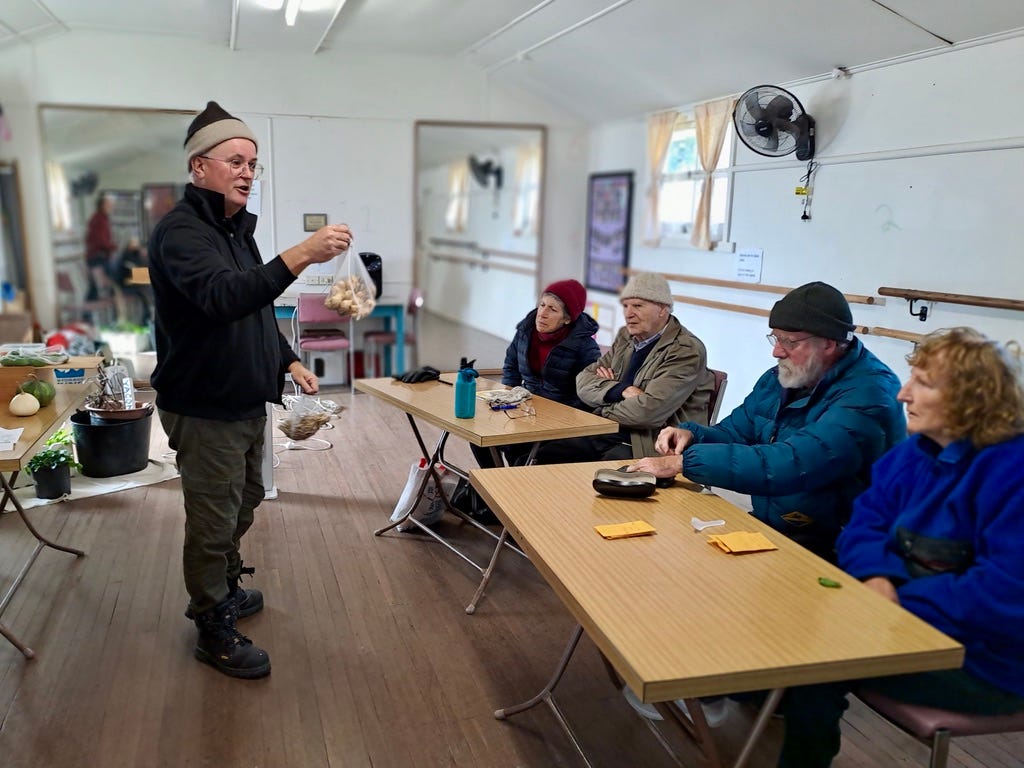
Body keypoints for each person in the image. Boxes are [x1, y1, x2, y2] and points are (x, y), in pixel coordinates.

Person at [148, 101, 352, 679]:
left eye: (253, 163)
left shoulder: (237, 230)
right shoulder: (181, 233)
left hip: (243, 398)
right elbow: (222, 298)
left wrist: (287, 359)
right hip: (203, 404)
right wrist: (303, 253)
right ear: (199, 168)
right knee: (212, 520)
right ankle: (211, 624)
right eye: (235, 160)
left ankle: (225, 585)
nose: (247, 172)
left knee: (246, 498)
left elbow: (255, 308)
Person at [776, 327, 1024, 767]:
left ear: (976, 399)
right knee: (795, 631)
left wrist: (892, 602)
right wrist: (877, 578)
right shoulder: (913, 454)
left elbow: (1003, 593)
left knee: (811, 662)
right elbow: (864, 525)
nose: (902, 394)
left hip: (990, 664)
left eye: (923, 384)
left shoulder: (1012, 474)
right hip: (906, 625)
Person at [631, 281, 905, 561]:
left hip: (841, 546)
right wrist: (692, 436)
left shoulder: (870, 394)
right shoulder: (783, 377)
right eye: (776, 338)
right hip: (780, 526)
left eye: (790, 342)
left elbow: (792, 463)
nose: (777, 352)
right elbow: (736, 432)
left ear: (829, 343)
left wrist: (684, 462)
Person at [533, 271, 714, 463]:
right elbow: (583, 381)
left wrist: (602, 406)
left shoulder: (686, 350)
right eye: (626, 306)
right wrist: (622, 389)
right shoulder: (626, 337)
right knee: (546, 454)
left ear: (662, 309)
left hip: (652, 443)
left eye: (637, 306)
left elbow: (647, 413)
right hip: (614, 431)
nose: (629, 314)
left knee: (601, 472)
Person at [470, 279, 600, 468]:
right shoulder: (525, 332)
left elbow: (589, 392)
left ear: (567, 318)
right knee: (479, 437)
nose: (542, 314)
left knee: (522, 453)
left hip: (560, 418)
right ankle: (493, 487)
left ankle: (511, 487)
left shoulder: (585, 347)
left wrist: (557, 413)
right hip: (525, 408)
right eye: (542, 305)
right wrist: (508, 397)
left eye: (552, 310)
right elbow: (511, 367)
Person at [84, 193, 117, 301]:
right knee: (116, 281)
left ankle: (86, 314)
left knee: (93, 289)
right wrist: (114, 246)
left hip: (94, 258)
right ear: (102, 205)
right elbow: (102, 242)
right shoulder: (100, 220)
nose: (111, 207)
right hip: (99, 259)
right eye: (109, 204)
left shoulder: (96, 218)